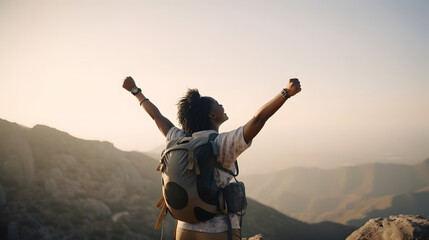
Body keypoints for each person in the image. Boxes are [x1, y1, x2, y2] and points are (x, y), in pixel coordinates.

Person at [122, 76, 302, 240]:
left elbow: (156, 116)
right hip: (217, 231)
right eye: (218, 103)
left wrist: (135, 91)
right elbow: (258, 119)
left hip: (183, 230)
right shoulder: (223, 143)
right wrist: (286, 93)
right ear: (212, 115)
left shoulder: (177, 138)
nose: (222, 105)